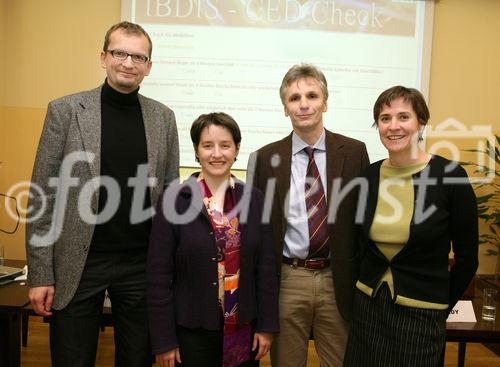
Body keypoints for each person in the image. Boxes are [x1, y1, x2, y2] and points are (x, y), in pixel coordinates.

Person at [26, 21, 179, 366]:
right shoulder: (65, 112)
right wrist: (40, 275)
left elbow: (169, 198)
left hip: (140, 265)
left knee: (138, 359)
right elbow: (42, 197)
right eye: (119, 53)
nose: (128, 62)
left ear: (149, 67)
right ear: (103, 57)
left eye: (138, 56)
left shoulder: (163, 119)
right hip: (78, 263)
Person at [343, 86, 479, 366]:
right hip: (368, 308)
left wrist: (440, 304)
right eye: (384, 118)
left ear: (421, 122)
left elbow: (468, 258)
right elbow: (358, 245)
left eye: (403, 117)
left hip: (423, 314)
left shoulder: (450, 176)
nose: (393, 126)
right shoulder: (368, 176)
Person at [247, 64, 370, 366]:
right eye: (294, 98)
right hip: (288, 279)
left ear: (325, 102)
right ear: (285, 109)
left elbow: (363, 222)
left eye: (312, 95)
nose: (304, 104)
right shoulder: (263, 158)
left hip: (337, 278)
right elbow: (256, 231)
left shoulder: (354, 153)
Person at [147, 112, 279, 367]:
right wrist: (164, 340)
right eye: (207, 146)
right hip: (190, 332)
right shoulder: (174, 200)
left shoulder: (255, 199)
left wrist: (266, 326)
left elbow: (265, 268)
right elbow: (158, 275)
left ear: (237, 149)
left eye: (225, 145)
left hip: (244, 329)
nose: (216, 154)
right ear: (197, 150)